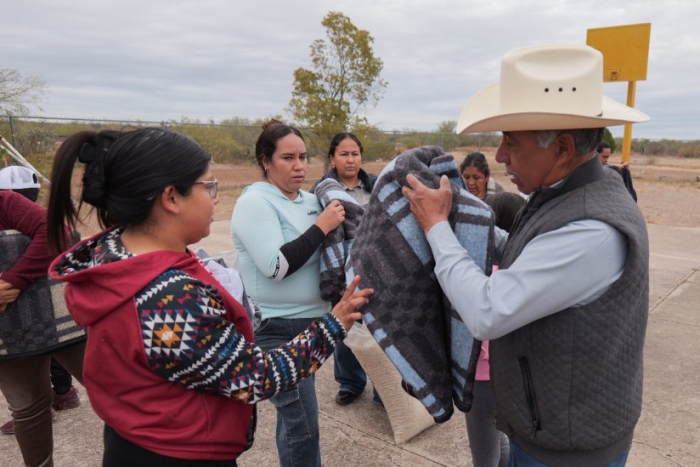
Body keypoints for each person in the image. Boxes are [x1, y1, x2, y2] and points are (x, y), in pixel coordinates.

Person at [46, 128, 372, 466]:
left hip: (138, 440)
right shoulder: (168, 297)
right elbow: (255, 377)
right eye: (208, 186)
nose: (215, 198)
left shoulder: (117, 257)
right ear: (171, 198)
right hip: (180, 454)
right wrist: (335, 322)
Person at [403, 44, 649, 466]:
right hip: (552, 432)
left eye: (511, 143)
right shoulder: (565, 194)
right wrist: (465, 221)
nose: (500, 155)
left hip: (566, 452)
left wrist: (437, 228)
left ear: (562, 148)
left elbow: (486, 311)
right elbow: (526, 251)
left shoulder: (590, 229)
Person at [232, 121, 359, 466]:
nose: (299, 166)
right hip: (278, 330)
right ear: (266, 161)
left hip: (316, 327)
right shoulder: (256, 202)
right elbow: (276, 266)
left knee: (296, 422)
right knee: (302, 424)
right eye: (287, 158)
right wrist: (322, 226)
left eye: (303, 157)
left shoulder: (312, 199)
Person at [0, 188, 86, 467]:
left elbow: (57, 233)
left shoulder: (4, 201)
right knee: (28, 410)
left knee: (112, 389)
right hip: (8, 335)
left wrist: (14, 281)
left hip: (61, 321)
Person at [310, 132, 381, 407]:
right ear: (332, 158)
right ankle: (350, 382)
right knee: (346, 326)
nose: (350, 159)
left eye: (355, 154)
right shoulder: (322, 191)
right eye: (343, 154)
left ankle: (384, 386)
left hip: (377, 266)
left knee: (381, 329)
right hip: (341, 269)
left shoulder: (377, 187)